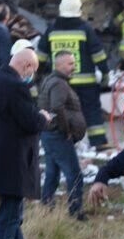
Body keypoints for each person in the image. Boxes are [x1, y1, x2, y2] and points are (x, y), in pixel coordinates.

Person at [0, 49, 52, 239]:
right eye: (33, 70)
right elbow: (29, 121)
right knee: (10, 215)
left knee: (13, 211)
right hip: (15, 159)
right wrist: (43, 117)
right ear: (26, 66)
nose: (32, 76)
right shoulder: (16, 86)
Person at [36, 0, 111, 149]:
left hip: (59, 82)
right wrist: (105, 74)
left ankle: (62, 141)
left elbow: (41, 56)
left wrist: (37, 75)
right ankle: (99, 143)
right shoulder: (85, 29)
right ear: (78, 10)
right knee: (91, 111)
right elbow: (98, 54)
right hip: (85, 82)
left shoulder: (52, 30)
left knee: (59, 112)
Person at [38, 50, 88, 221]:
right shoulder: (59, 84)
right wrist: (66, 130)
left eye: (73, 63)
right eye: (70, 64)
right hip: (57, 135)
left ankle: (46, 208)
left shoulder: (51, 80)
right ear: (58, 65)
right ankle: (76, 212)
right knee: (74, 174)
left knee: (52, 173)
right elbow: (57, 107)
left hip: (49, 134)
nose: (73, 67)